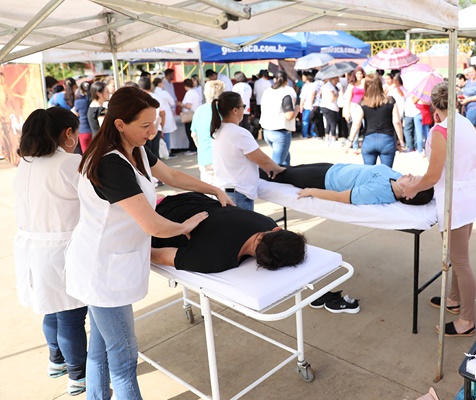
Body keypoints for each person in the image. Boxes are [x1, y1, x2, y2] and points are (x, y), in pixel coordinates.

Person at [64, 86, 233, 400]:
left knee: (101, 350)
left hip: (111, 264)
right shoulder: (109, 163)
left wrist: (213, 189)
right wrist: (184, 226)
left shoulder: (136, 148)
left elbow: (169, 174)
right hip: (102, 270)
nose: (153, 131)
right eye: (145, 125)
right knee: (124, 360)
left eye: (154, 123)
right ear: (119, 124)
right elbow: (152, 223)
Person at [402, 82, 476, 337]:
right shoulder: (465, 123)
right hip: (466, 193)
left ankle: (467, 320)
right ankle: (452, 299)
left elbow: (432, 176)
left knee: (460, 262)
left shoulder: (441, 130)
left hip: (455, 200)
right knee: (456, 258)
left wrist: (412, 188)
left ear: (434, 106)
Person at [14, 107, 88, 396]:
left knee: (51, 310)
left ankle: (56, 360)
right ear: (68, 134)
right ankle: (78, 376)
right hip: (61, 250)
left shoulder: (26, 161)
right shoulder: (69, 163)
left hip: (33, 250)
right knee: (70, 315)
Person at [151, 192, 306, 273]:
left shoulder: (267, 223)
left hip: (174, 206)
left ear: (277, 230)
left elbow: (155, 255)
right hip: (161, 212)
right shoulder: (215, 260)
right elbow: (158, 256)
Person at [211, 91, 285, 211]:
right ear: (235, 110)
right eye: (243, 106)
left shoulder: (218, 130)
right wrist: (280, 170)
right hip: (238, 193)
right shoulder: (239, 132)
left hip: (224, 189)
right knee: (245, 229)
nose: (244, 109)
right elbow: (263, 161)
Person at [263, 162, 434, 205]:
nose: (410, 174)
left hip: (323, 180)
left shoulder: (378, 192)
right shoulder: (396, 177)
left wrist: (312, 191)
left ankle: (249, 170)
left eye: (413, 179)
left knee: (279, 174)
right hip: (332, 168)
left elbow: (340, 197)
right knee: (284, 168)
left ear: (408, 194)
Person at [345, 73, 404, 168]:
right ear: (380, 84)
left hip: (369, 140)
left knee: (368, 173)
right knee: (386, 174)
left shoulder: (363, 102)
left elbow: (357, 123)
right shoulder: (390, 101)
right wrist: (400, 140)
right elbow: (396, 122)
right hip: (387, 140)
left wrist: (350, 140)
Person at [260, 71, 299, 166]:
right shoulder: (285, 94)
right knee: (277, 165)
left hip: (267, 130)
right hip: (280, 132)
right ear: (286, 81)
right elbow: (289, 116)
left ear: (274, 79)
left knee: (285, 158)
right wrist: (297, 109)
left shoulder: (267, 91)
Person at [191, 80, 225, 184]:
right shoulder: (224, 110)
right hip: (222, 156)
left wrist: (201, 147)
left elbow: (194, 134)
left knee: (209, 191)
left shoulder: (199, 110)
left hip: (204, 156)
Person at [138, 77, 166, 164]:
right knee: (155, 155)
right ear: (150, 86)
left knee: (145, 156)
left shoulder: (139, 98)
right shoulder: (156, 97)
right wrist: (162, 128)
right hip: (157, 128)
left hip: (143, 130)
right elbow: (163, 114)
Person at [153, 77, 178, 157]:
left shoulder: (154, 93)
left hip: (156, 116)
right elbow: (172, 102)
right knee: (166, 134)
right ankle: (167, 152)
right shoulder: (164, 93)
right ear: (160, 83)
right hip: (164, 114)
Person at [344, 66, 367, 153]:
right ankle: (355, 146)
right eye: (358, 73)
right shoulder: (351, 85)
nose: (359, 75)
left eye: (361, 73)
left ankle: (365, 145)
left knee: (366, 125)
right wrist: (347, 111)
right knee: (356, 125)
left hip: (364, 105)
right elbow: (348, 99)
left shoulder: (365, 83)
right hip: (354, 105)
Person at [458, 65, 476, 133]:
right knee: (474, 127)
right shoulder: (469, 81)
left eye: (472, 72)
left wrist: (468, 99)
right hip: (467, 106)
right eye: (469, 72)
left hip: (475, 107)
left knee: (470, 127)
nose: (470, 74)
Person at [179, 78, 201, 155]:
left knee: (189, 132)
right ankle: (194, 147)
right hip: (195, 114)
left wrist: (181, 105)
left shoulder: (189, 93)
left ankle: (192, 148)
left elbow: (188, 105)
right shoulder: (195, 92)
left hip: (189, 115)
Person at [72, 81, 92, 154]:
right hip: (94, 129)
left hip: (83, 129)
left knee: (86, 153)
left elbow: (76, 113)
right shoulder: (93, 100)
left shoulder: (79, 101)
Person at [320, 76, 341, 143]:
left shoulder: (327, 85)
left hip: (325, 106)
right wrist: (338, 94)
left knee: (328, 123)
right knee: (333, 123)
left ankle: (327, 137)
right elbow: (332, 98)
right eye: (336, 80)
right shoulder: (329, 86)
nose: (337, 81)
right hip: (330, 107)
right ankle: (333, 138)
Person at [299, 71, 318, 139]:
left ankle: (305, 134)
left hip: (307, 105)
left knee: (305, 121)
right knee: (313, 121)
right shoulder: (315, 85)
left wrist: (301, 105)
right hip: (314, 105)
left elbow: (303, 97)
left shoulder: (306, 86)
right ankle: (313, 133)